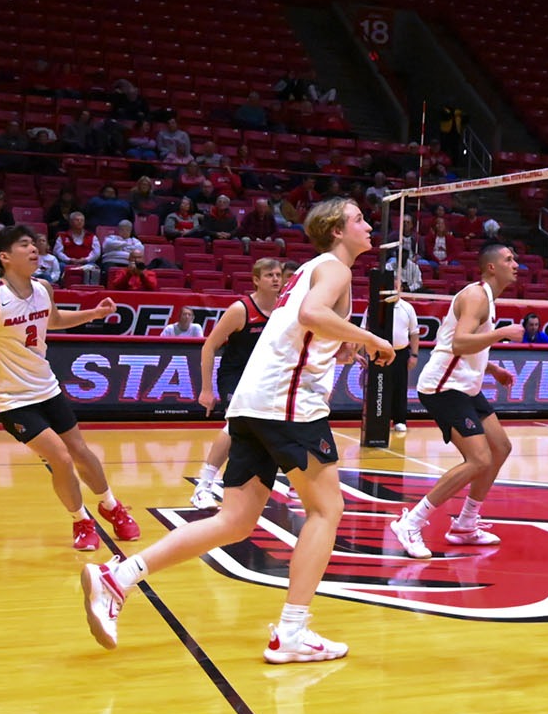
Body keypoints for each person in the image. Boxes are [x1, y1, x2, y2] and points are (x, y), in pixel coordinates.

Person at [80, 199, 396, 661]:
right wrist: (371, 338)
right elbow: (311, 315)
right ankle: (292, 632)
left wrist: (345, 345)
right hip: (287, 405)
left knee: (234, 521)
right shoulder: (334, 268)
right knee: (327, 510)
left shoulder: (308, 270)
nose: (367, 226)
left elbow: (305, 330)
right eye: (358, 219)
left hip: (253, 403)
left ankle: (119, 577)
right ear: (336, 230)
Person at [0, 225, 139, 551]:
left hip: (46, 387)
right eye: (24, 245)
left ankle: (111, 506)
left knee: (81, 451)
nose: (34, 249)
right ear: (4, 257)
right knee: (60, 457)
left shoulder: (43, 287)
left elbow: (53, 320)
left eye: (34, 244)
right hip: (10, 398)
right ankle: (81, 520)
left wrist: (95, 313)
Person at [390, 243, 524, 559]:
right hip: (443, 387)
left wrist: (492, 368)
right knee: (479, 459)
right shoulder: (476, 296)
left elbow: (458, 343)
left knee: (500, 448)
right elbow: (461, 343)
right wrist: (502, 333)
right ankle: (411, 522)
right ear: (491, 267)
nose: (516, 264)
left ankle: (465, 523)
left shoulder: (487, 298)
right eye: (509, 259)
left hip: (466, 386)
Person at [188, 258, 283, 510]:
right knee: (234, 425)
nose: (275, 279)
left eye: (278, 274)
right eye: (269, 275)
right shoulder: (241, 310)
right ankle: (203, 486)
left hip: (266, 377)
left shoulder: (284, 308)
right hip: (236, 376)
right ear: (256, 280)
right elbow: (209, 346)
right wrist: (206, 389)